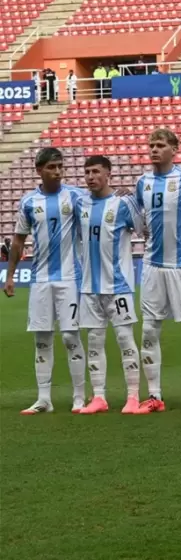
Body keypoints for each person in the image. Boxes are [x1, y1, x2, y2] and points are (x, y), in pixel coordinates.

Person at [132, 128, 181, 414]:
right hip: (152, 266)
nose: (154, 150)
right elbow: (140, 217)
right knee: (149, 330)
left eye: (160, 145)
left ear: (174, 149)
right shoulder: (143, 182)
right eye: (151, 144)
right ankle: (154, 396)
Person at [4, 148, 87, 414]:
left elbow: (101, 202)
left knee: (71, 336)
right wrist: (11, 275)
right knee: (42, 338)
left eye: (60, 166)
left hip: (70, 278)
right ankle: (44, 399)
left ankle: (79, 397)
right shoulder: (28, 202)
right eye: (52, 167)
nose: (58, 171)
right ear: (39, 170)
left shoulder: (75, 196)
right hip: (40, 279)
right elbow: (18, 240)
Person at [72, 155, 143, 415]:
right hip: (90, 286)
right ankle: (99, 396)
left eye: (96, 172)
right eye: (87, 172)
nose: (90, 176)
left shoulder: (122, 205)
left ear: (108, 174)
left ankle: (133, 396)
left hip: (118, 285)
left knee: (125, 339)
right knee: (94, 341)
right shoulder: (81, 205)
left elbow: (142, 229)